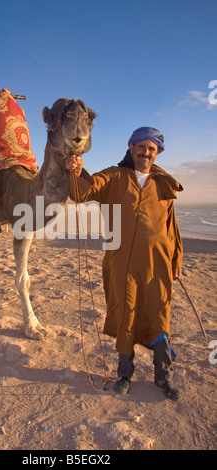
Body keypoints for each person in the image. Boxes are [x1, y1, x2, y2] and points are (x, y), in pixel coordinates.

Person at [65, 127, 183, 401]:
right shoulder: (114, 176)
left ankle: (163, 376)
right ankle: (125, 375)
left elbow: (171, 226)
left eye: (151, 148)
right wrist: (77, 168)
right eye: (141, 147)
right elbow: (84, 191)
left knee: (159, 314)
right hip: (122, 262)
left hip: (159, 263)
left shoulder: (163, 182)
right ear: (131, 147)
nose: (146, 152)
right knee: (126, 312)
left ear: (157, 152)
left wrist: (177, 258)